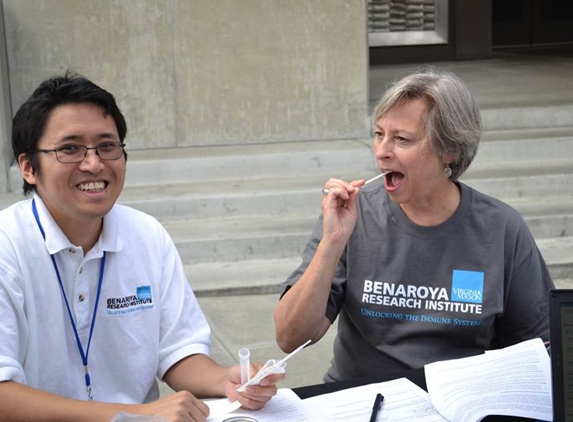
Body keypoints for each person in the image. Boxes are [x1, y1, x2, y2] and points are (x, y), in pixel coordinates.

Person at [0, 72, 284, 421]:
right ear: (28, 167)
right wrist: (134, 414)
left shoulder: (147, 235)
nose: (94, 163)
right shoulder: (7, 246)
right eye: (70, 148)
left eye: (107, 146)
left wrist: (224, 379)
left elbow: (178, 350)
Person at [274, 68, 555, 382]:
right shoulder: (354, 214)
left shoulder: (501, 228)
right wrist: (331, 244)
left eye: (401, 139)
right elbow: (290, 337)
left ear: (449, 150)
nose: (382, 152)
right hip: (359, 401)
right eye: (379, 134)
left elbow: (538, 348)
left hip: (456, 406)